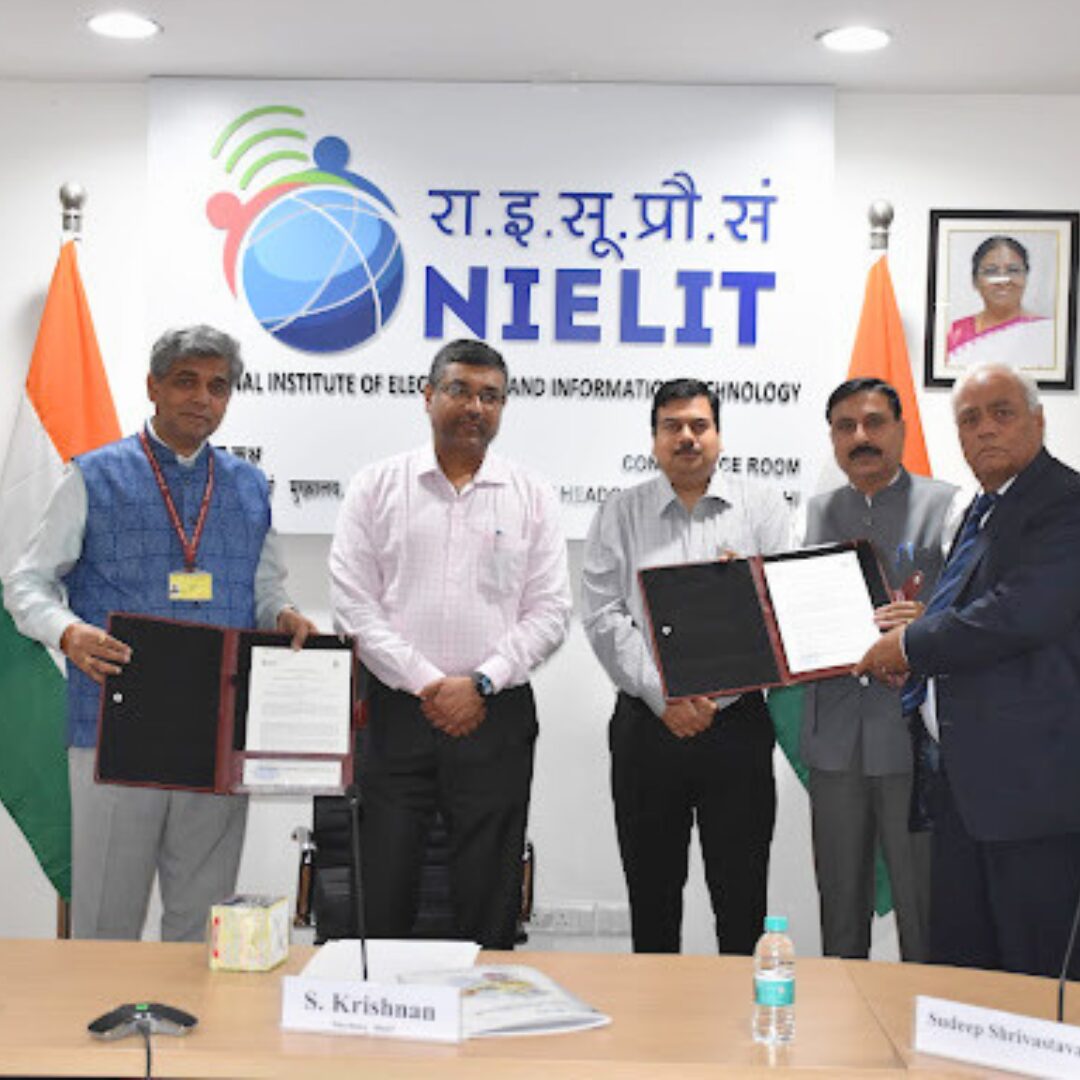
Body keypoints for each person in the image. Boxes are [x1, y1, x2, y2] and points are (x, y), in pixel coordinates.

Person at [3, 325, 316, 941]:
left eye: (218, 387)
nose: (202, 398)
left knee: (202, 926)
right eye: (186, 382)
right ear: (153, 387)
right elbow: (26, 583)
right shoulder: (93, 476)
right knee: (105, 921)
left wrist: (282, 615)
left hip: (215, 731)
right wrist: (68, 634)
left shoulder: (250, 486)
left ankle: (187, 1012)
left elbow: (265, 591)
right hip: (111, 728)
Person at [329, 338, 571, 949]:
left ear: (503, 408)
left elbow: (550, 611)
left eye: (491, 396)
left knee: (488, 896)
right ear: (428, 395)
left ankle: (482, 1006)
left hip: (495, 715)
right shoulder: (375, 487)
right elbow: (353, 605)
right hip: (394, 713)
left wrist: (481, 681)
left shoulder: (532, 494)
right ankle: (377, 1007)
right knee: (382, 888)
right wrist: (429, 684)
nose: (474, 407)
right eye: (459, 390)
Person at [856, 363, 1080, 979]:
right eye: (969, 419)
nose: (984, 430)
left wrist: (910, 646)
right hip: (966, 787)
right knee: (965, 975)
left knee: (1032, 981)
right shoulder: (984, 508)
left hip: (1030, 795)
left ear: (1038, 420)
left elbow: (1018, 613)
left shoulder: (1065, 503)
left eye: (1001, 413)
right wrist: (918, 643)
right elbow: (969, 613)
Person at [581, 378, 790, 954]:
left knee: (742, 899)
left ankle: (742, 1012)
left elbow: (781, 609)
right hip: (648, 726)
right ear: (654, 439)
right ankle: (655, 1014)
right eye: (672, 426)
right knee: (652, 901)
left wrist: (746, 594)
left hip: (737, 726)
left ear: (719, 435)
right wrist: (664, 696)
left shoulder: (762, 508)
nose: (687, 437)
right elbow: (602, 615)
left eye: (700, 425)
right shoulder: (620, 512)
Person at [799, 377, 958, 962]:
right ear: (833, 439)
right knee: (840, 915)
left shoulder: (949, 507)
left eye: (873, 423)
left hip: (914, 742)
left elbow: (975, 614)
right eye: (845, 427)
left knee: (924, 915)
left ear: (901, 430)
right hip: (834, 743)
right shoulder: (813, 515)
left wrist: (926, 623)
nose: (860, 437)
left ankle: (925, 1020)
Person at [946, 235, 1052, 367]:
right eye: (991, 271)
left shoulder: (1046, 332)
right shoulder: (955, 333)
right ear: (975, 281)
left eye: (1013, 270)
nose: (1003, 281)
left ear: (1025, 277)